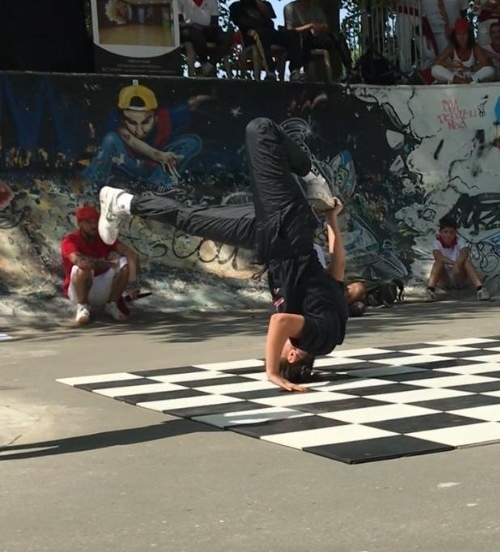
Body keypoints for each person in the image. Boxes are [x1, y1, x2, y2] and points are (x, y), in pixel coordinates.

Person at [97, 118, 367, 391]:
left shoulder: (334, 330)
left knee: (192, 219)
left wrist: (332, 220)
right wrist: (272, 372)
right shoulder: (315, 338)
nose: (282, 345)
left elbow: (338, 268)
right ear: (293, 355)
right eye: (281, 351)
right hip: (285, 230)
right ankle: (313, 175)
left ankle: (122, 202)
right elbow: (280, 322)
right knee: (260, 129)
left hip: (268, 236)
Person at [82, 82, 215, 187]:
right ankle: (90, 185)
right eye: (132, 123)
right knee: (110, 139)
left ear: (155, 117)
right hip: (130, 162)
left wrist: (211, 96)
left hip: (158, 168)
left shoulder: (168, 117)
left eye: (145, 122)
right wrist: (158, 155)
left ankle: (157, 185)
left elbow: (191, 104)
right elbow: (129, 138)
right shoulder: (116, 121)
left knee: (192, 141)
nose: (139, 131)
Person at [60, 205, 139, 327]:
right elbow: (81, 261)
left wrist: (132, 283)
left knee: (124, 262)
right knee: (80, 268)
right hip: (78, 290)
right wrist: (108, 264)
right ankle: (82, 307)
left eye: (95, 221)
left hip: (102, 288)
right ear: (80, 224)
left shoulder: (104, 238)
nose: (93, 225)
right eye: (88, 222)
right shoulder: (70, 240)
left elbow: (131, 254)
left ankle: (112, 305)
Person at [229, 0, 305, 81]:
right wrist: (259, 22)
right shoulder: (236, 6)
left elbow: (269, 15)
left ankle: (295, 71)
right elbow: (244, 23)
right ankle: (270, 70)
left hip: (270, 33)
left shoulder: (265, 4)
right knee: (260, 32)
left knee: (293, 34)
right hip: (251, 36)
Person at [283, 0, 353, 80]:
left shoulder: (317, 10)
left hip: (315, 39)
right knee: (304, 37)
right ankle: (298, 72)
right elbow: (290, 30)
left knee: (337, 36)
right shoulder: (290, 8)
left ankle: (350, 69)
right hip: (298, 41)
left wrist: (322, 29)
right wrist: (310, 26)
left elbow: (325, 28)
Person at [176, 0, 232, 77]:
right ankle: (203, 62)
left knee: (227, 38)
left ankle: (209, 65)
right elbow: (178, 22)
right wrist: (192, 25)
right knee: (195, 34)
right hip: (189, 30)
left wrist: (207, 28)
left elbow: (215, 22)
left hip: (207, 30)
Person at [426, 215, 490, 301]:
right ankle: (430, 291)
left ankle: (480, 289)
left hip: (459, 275)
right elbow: (438, 257)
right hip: (445, 278)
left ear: (455, 233)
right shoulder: (436, 243)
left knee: (466, 262)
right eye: (445, 232)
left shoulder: (460, 241)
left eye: (451, 232)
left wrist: (458, 264)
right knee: (438, 263)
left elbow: (464, 252)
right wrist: (454, 264)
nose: (448, 235)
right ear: (440, 232)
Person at [431, 19, 495, 84]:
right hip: (456, 75)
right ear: (455, 35)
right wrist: (452, 65)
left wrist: (469, 69)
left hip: (471, 75)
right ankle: (460, 81)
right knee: (435, 69)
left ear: (469, 34)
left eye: (464, 33)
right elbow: (438, 62)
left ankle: (469, 81)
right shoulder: (452, 47)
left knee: (490, 70)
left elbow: (484, 63)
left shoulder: (474, 47)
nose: (461, 37)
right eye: (458, 34)